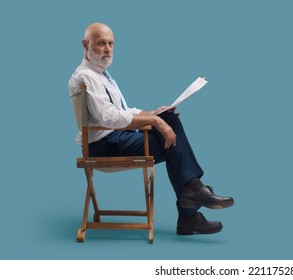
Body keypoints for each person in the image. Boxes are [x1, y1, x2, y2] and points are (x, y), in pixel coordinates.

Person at [68, 22, 234, 235]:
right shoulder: (86, 76)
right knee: (170, 141)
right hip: (105, 145)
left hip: (117, 137)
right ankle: (189, 211)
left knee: (168, 120)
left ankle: (192, 195)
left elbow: (122, 111)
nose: (108, 49)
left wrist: (155, 113)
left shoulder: (100, 75)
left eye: (111, 44)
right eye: (101, 43)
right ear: (85, 45)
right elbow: (108, 117)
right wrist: (155, 121)